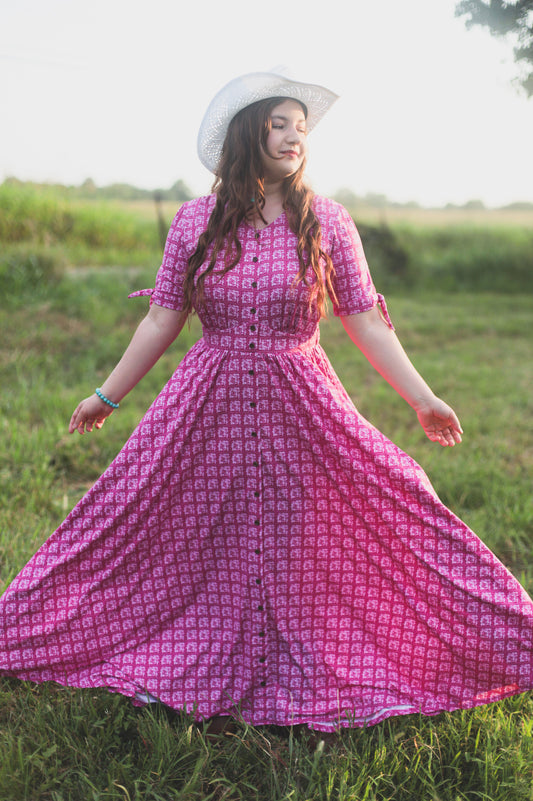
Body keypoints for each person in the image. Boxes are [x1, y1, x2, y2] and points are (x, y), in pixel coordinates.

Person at [1, 71, 532, 737]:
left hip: (300, 397)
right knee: (140, 513)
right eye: (278, 124)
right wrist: (107, 393)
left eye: (300, 128)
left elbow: (365, 319)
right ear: (247, 134)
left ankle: (468, 637)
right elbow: (162, 318)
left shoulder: (327, 220)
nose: (292, 137)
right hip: (207, 399)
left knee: (375, 500)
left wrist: (422, 398)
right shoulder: (196, 220)